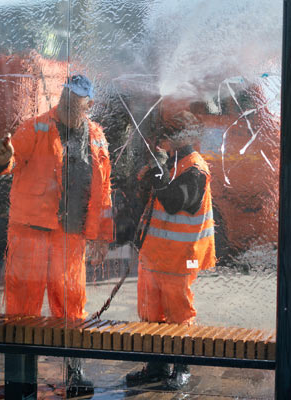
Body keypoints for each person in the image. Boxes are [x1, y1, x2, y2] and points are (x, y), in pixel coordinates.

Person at [0, 74, 112, 398]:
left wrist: (102, 236)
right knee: (22, 306)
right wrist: (2, 156)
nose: (70, 105)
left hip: (71, 236)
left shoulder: (97, 136)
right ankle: (20, 376)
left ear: (88, 104)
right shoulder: (36, 127)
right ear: (61, 97)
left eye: (77, 101)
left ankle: (75, 371)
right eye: (67, 98)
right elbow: (9, 159)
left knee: (72, 307)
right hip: (31, 233)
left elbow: (104, 191)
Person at [125, 111, 216, 390]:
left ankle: (182, 367)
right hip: (154, 256)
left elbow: (178, 201)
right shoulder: (170, 164)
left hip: (181, 258)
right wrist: (151, 175)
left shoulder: (195, 168)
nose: (160, 142)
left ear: (180, 138)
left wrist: (159, 176)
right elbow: (146, 199)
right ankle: (157, 366)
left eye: (165, 137)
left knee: (180, 314)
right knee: (151, 314)